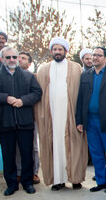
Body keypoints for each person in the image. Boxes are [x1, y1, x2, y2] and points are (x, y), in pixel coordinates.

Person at [0, 46, 42, 195]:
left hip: (25, 121)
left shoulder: (28, 76)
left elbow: (37, 93)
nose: (11, 60)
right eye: (8, 57)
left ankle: (27, 182)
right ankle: (11, 184)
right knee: (8, 155)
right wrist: (5, 98)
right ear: (1, 59)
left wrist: (23, 101)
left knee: (26, 154)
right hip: (5, 121)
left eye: (14, 57)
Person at [34, 37, 88, 191]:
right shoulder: (43, 69)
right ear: (51, 51)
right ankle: (57, 180)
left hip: (71, 115)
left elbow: (82, 93)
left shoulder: (75, 68)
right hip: (51, 116)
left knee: (75, 145)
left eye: (60, 49)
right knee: (54, 145)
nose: (57, 52)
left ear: (66, 51)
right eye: (55, 49)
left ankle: (76, 179)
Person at [76, 47, 106, 193]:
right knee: (96, 152)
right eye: (93, 55)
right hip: (90, 121)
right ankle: (101, 181)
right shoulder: (85, 76)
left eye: (98, 55)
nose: (95, 58)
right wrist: (79, 120)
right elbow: (80, 100)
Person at [16, 51, 41, 185]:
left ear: (29, 63)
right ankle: (19, 172)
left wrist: (23, 101)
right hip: (14, 116)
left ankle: (34, 172)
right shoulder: (11, 76)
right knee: (17, 148)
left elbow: (37, 94)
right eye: (18, 57)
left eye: (24, 58)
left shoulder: (33, 77)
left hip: (30, 115)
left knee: (33, 146)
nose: (20, 60)